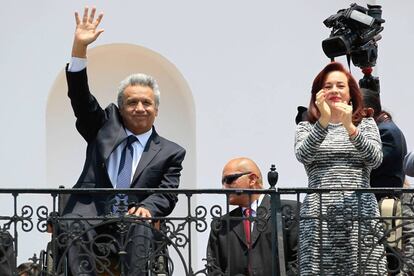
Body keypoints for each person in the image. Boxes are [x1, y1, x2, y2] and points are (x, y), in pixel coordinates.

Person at [59, 6, 186, 276]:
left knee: (139, 226)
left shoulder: (171, 152)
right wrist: (79, 49)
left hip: (132, 221)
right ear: (120, 107)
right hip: (90, 216)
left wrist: (147, 208)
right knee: (73, 224)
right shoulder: (103, 126)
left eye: (146, 102)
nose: (140, 107)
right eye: (132, 102)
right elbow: (80, 98)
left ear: (156, 109)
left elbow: (167, 192)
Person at [294, 62, 387, 275]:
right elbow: (303, 154)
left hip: (360, 213)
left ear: (350, 94)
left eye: (340, 86)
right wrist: (323, 122)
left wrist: (350, 127)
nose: (334, 90)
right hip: (318, 214)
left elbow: (375, 159)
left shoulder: (366, 124)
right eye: (327, 86)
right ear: (318, 94)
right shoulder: (306, 127)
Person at [206, 157, 299, 276]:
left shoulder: (288, 211)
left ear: (252, 179)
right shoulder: (221, 224)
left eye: (229, 180)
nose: (224, 187)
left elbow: (300, 260)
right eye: (222, 182)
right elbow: (213, 269)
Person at [361, 87, 407, 200]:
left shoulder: (386, 131)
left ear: (367, 112)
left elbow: (368, 165)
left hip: (381, 203)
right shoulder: (386, 127)